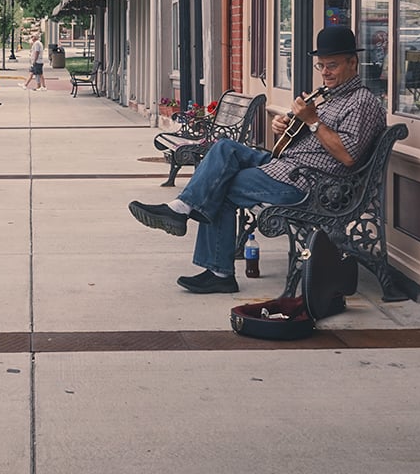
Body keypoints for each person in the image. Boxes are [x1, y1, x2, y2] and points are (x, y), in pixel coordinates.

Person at [127, 26, 386, 294]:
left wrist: (312, 120)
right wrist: (286, 127)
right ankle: (181, 209)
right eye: (320, 66)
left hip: (311, 183)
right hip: (286, 165)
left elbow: (347, 155)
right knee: (225, 148)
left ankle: (215, 267)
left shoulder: (361, 102)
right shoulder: (328, 97)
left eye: (332, 66)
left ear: (353, 62)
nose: (325, 73)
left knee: (220, 186)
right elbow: (309, 135)